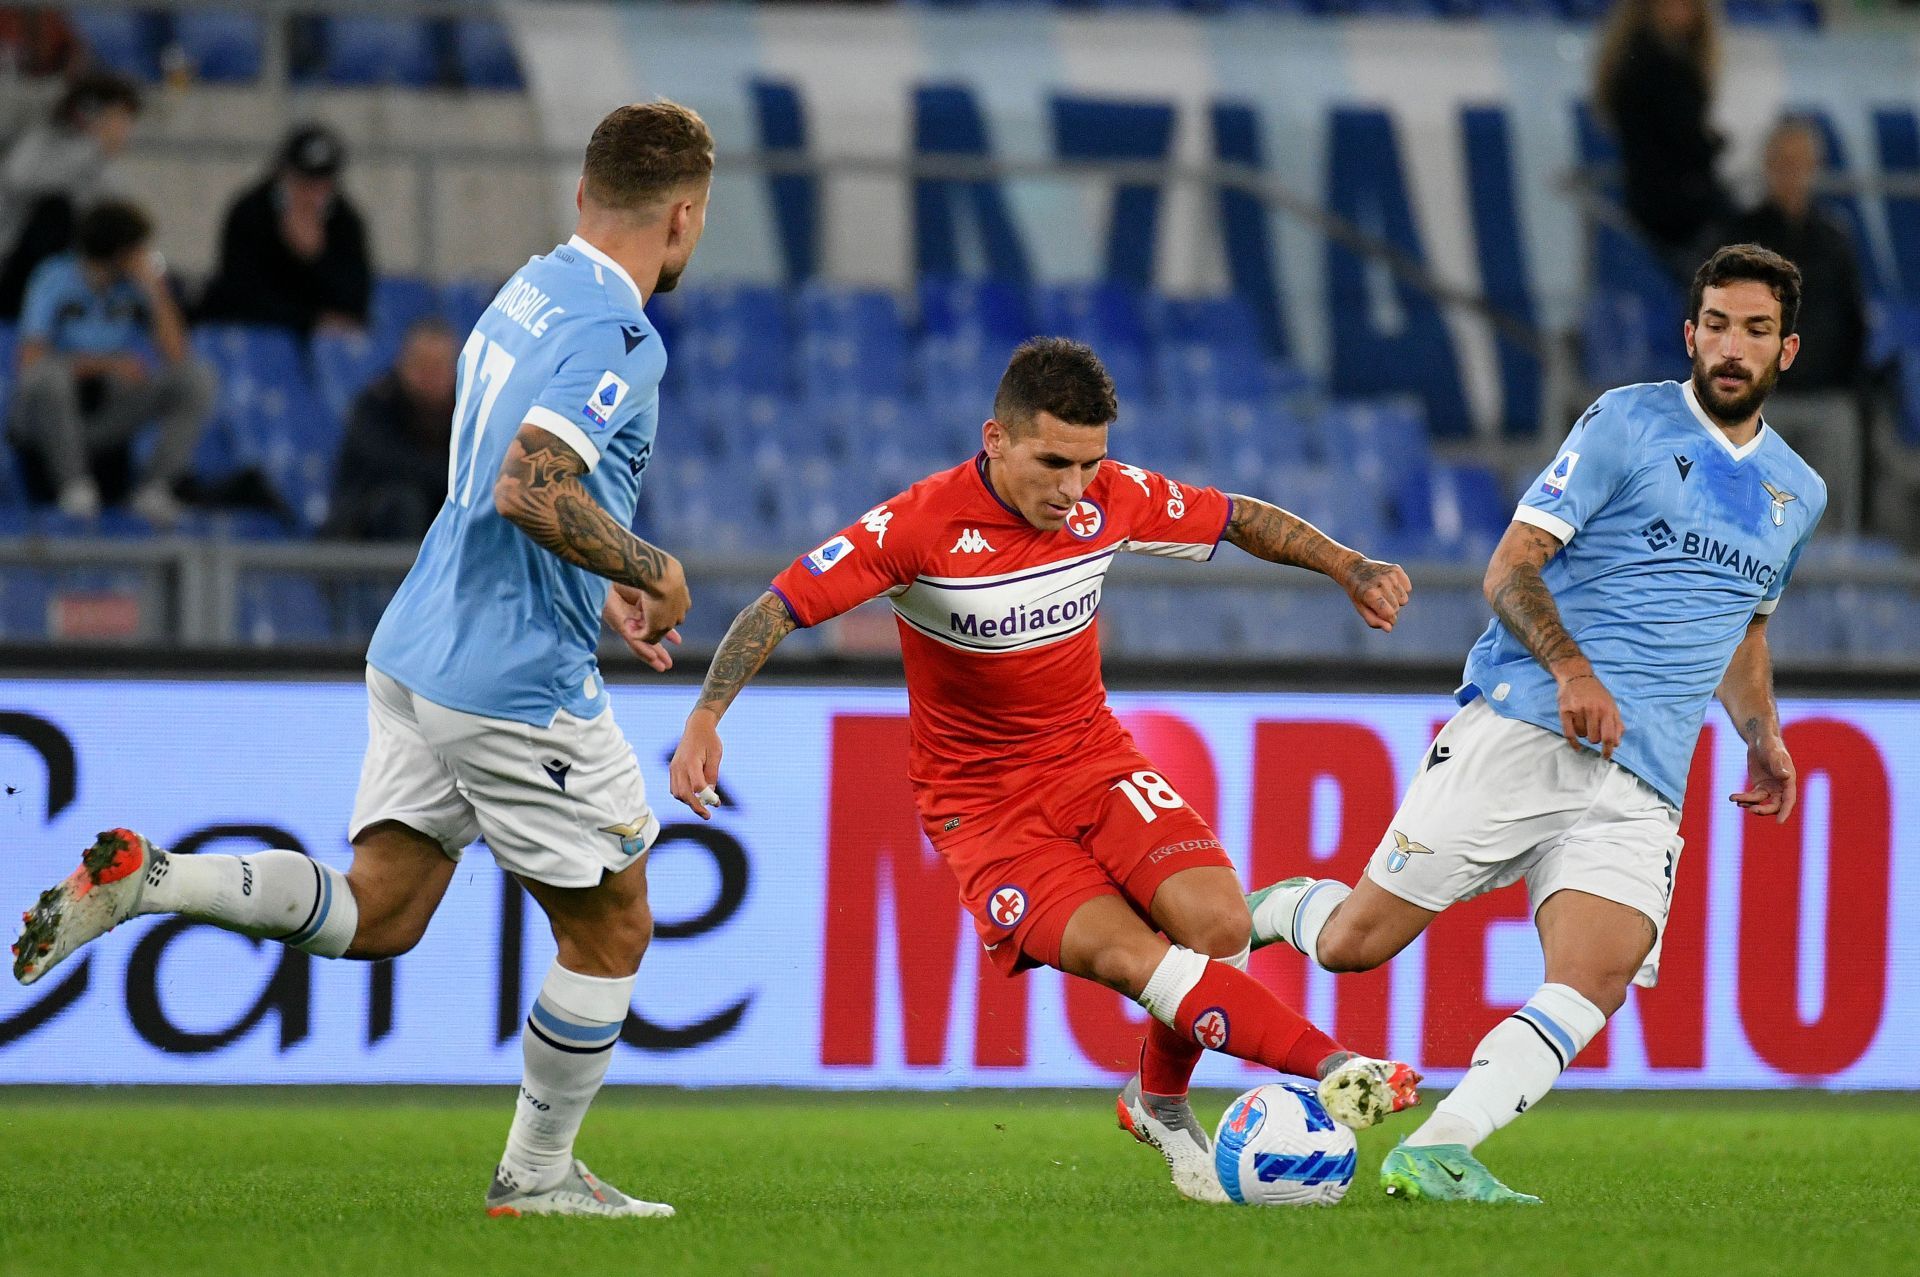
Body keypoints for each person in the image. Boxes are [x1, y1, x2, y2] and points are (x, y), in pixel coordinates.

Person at [13, 101, 714, 1220]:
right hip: (512, 677)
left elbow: (517, 480)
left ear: (583, 197)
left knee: (381, 909)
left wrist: (604, 575)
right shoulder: (622, 334)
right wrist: (654, 565)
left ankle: (156, 877)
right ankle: (536, 1175)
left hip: (418, 644)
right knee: (614, 921)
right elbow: (530, 486)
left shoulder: (529, 290)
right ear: (686, 217)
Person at [668, 337, 1423, 1205]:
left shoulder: (1111, 495)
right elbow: (779, 605)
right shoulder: (917, 528)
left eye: (1089, 463)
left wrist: (1349, 566)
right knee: (1137, 957)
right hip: (985, 811)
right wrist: (705, 716)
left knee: (1216, 925)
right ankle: (1332, 1062)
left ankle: (1158, 1100)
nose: (1072, 488)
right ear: (995, 439)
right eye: (1053, 462)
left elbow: (1237, 517)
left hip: (1093, 759)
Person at [1241, 245, 1824, 1204]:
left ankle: (1438, 1147)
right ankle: (1272, 909)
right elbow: (1509, 566)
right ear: (1690, 333)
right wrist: (1572, 669)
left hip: (1646, 776)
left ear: (1786, 350)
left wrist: (1762, 731)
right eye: (1716, 325)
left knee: (1598, 970)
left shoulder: (1798, 493)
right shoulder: (1625, 424)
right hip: (1527, 725)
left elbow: (1743, 624)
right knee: (1356, 942)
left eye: (1755, 331)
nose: (1731, 346)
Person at [8, 199, 212, 525]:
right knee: (51, 379)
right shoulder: (54, 278)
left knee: (196, 379)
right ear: (120, 252)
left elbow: (177, 356)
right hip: (53, 418)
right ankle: (74, 487)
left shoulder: (135, 289)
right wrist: (108, 365)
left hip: (106, 412)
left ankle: (154, 488)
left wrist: (155, 290)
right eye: (137, 249)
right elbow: (31, 363)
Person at [1723, 118, 1871, 531]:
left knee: (1829, 506)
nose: (1792, 174)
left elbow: (1853, 322)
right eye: (1783, 163)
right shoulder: (1739, 240)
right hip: (1762, 399)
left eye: (1801, 164)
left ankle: (1835, 585)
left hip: (1826, 396)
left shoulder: (1834, 240)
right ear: (1767, 166)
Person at [1594, 0, 1728, 279]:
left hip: (1656, 204)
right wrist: (1714, 143)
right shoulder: (1659, 68)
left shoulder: (1630, 61)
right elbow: (1686, 141)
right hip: (1676, 211)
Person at [197, 123, 371, 336]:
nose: (312, 197)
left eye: (322, 186)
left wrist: (316, 258)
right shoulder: (251, 213)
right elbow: (241, 295)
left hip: (320, 344)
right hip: (261, 337)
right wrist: (309, 320)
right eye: (304, 184)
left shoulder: (345, 222)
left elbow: (355, 303)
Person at [0, 71, 141, 318]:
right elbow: (19, 179)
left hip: (79, 273)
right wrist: (93, 147)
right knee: (55, 211)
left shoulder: (106, 170)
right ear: (89, 113)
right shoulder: (42, 142)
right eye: (120, 119)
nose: (125, 130)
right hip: (14, 267)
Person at [323, 318, 458, 541]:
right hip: (364, 531)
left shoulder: (465, 413)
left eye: (440, 366)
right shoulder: (375, 406)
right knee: (404, 503)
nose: (430, 375)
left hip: (434, 524)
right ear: (403, 363)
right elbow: (390, 464)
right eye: (422, 364)